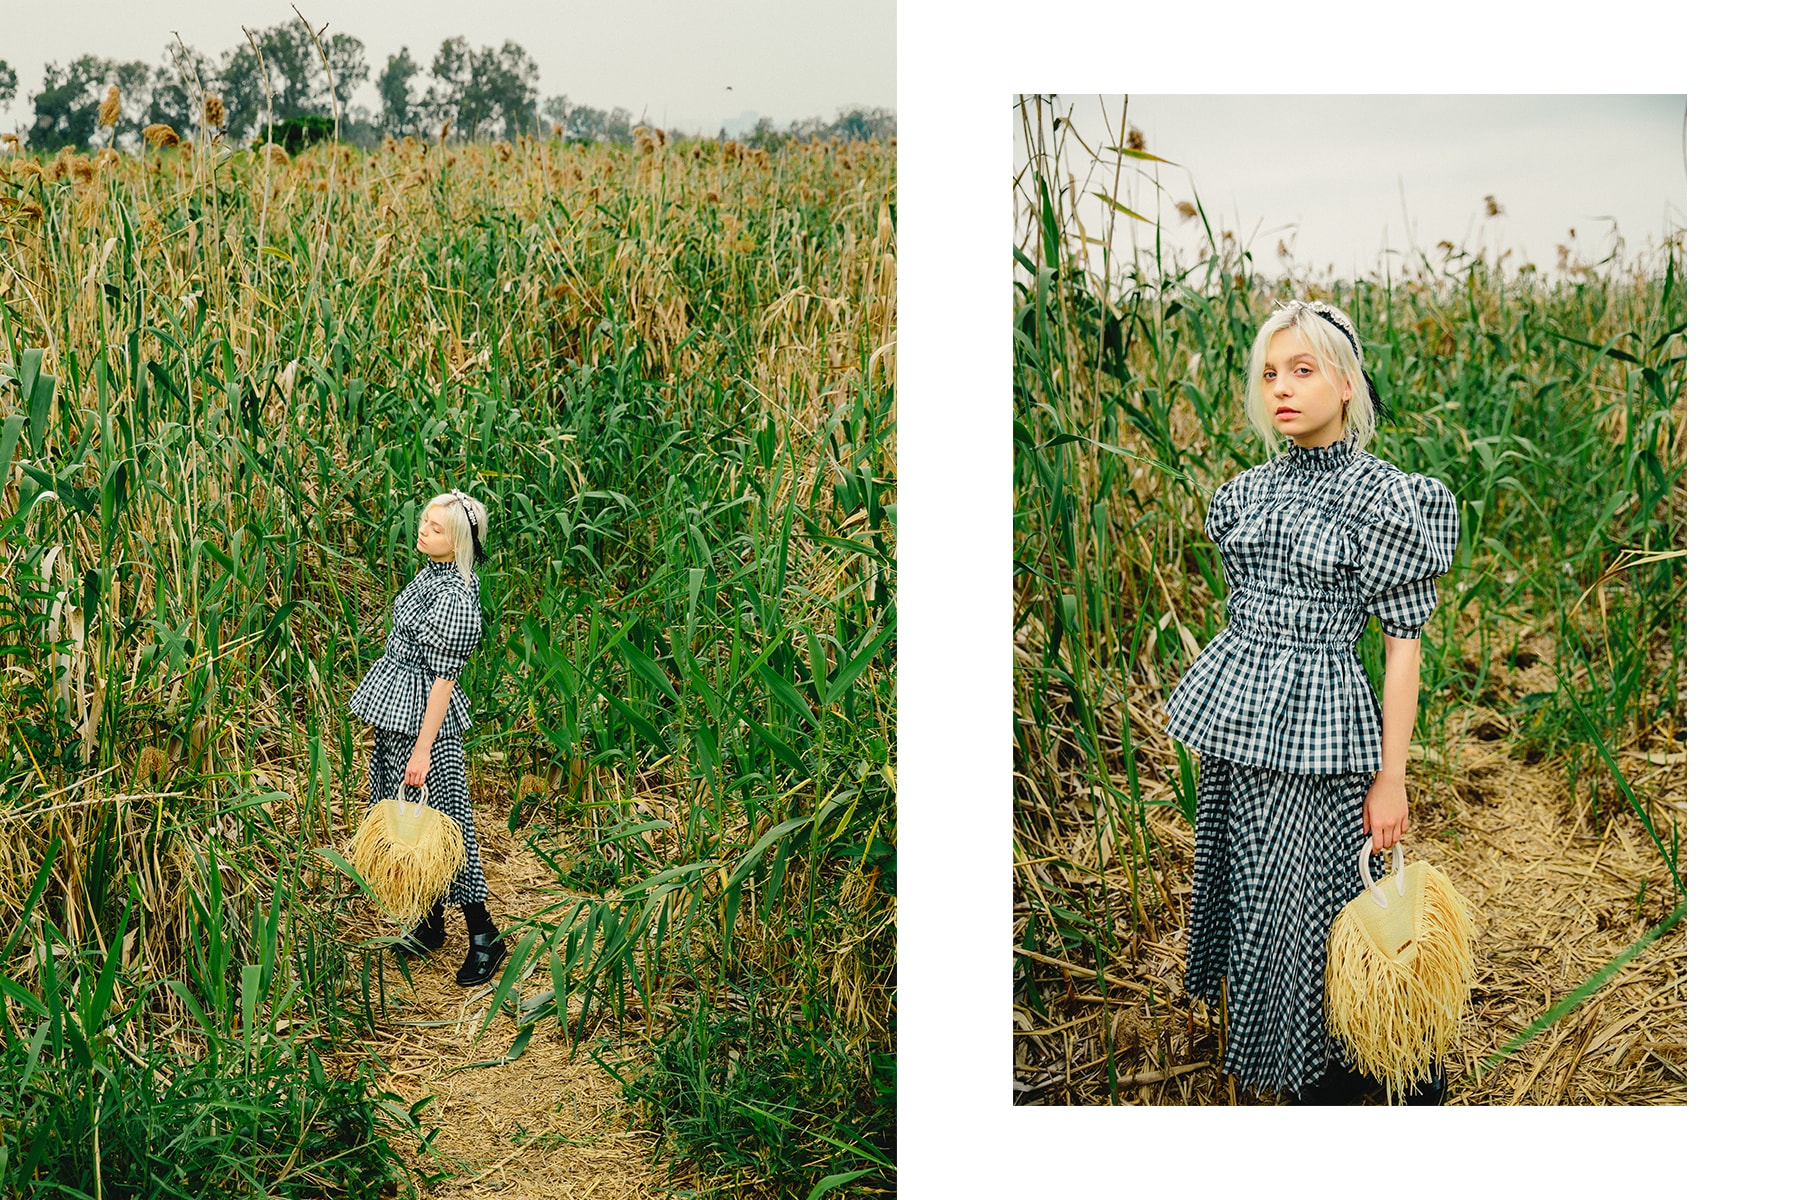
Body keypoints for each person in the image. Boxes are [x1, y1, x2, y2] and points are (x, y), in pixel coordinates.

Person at [1163, 300, 1458, 1105]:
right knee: (1259, 893)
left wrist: (1391, 776)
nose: (1281, 389)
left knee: (1333, 902)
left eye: (1303, 369)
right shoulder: (1245, 496)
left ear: (1348, 380)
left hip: (1327, 733)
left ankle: (1387, 1065)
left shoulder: (1385, 498)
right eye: (1269, 373)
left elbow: (1403, 645)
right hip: (1243, 727)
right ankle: (1300, 1074)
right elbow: (1249, 616)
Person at [349, 488, 507, 987]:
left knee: (446, 826)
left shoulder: (456, 597)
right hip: (401, 712)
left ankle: (485, 935)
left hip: (426, 726)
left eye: (436, 528)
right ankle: (428, 919)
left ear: (457, 540)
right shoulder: (431, 576)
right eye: (424, 521)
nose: (423, 530)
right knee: (409, 821)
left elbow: (444, 680)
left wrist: (422, 749)